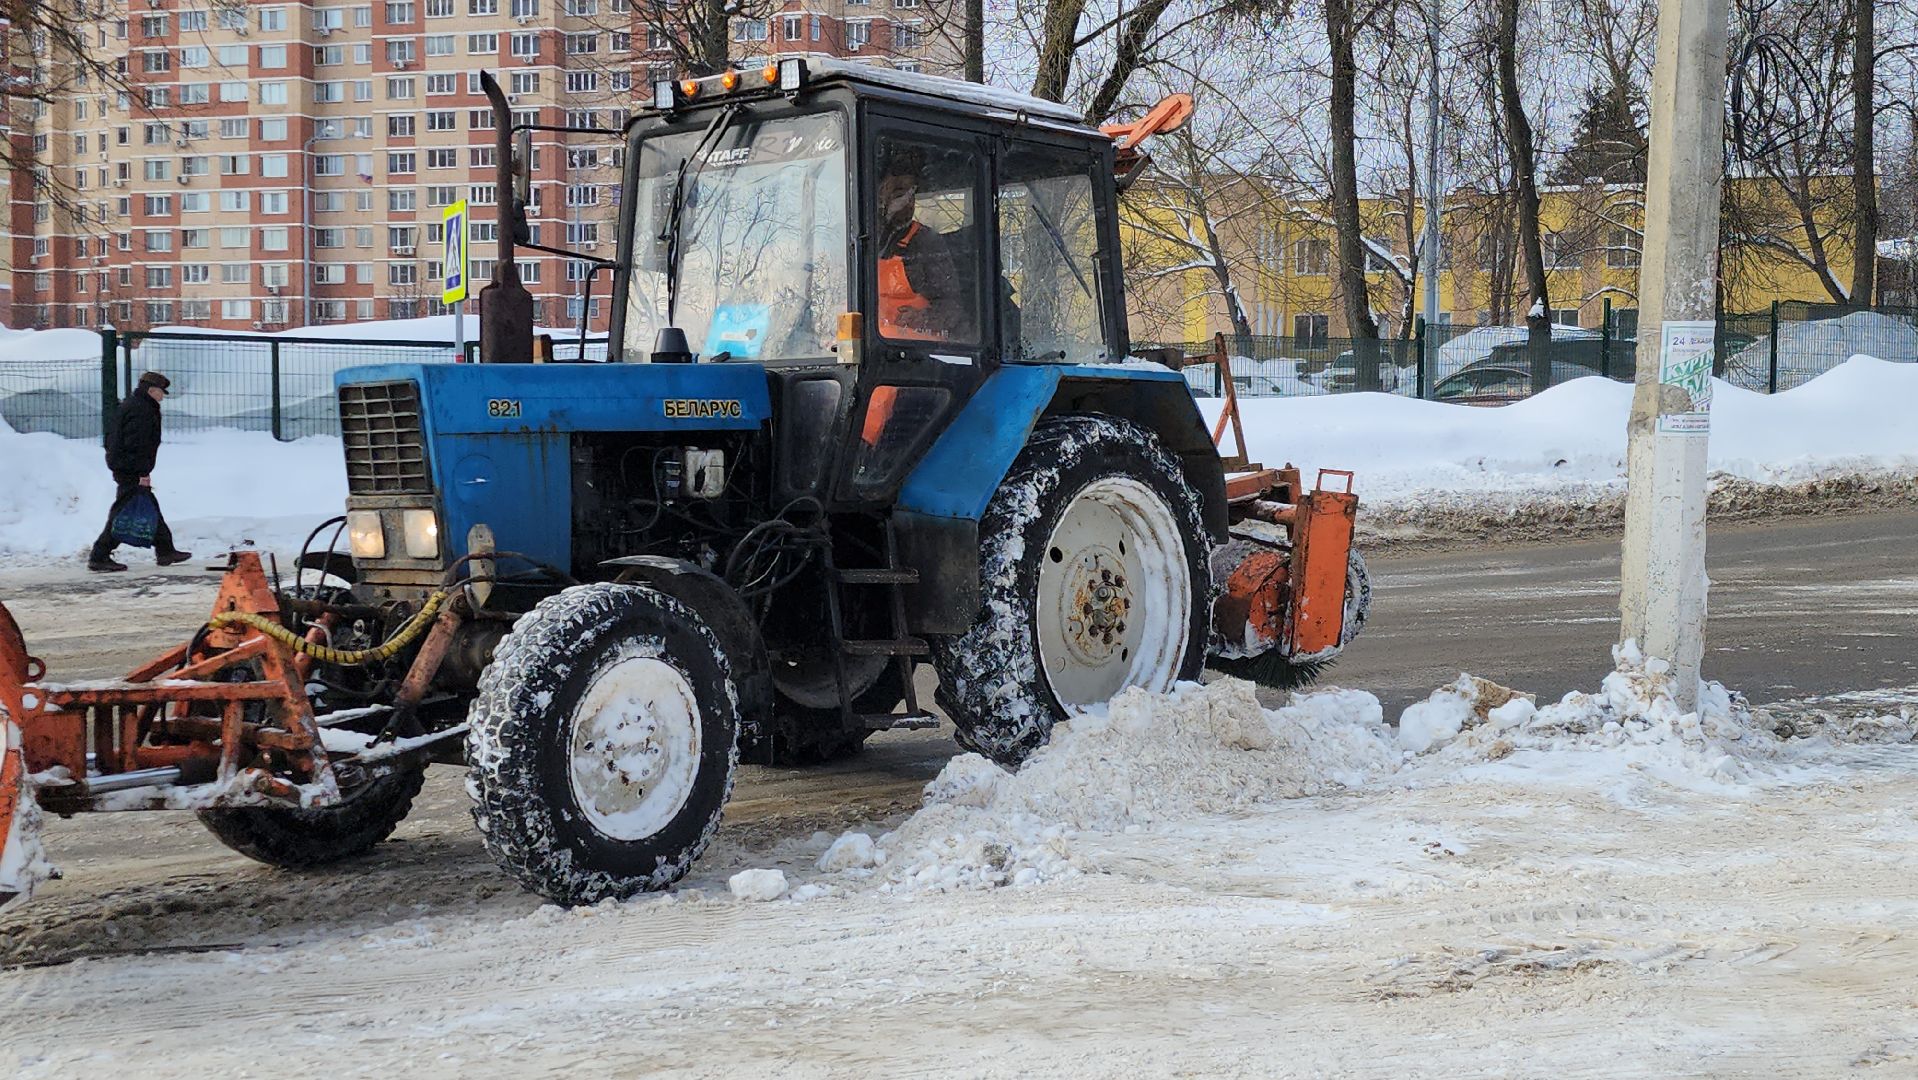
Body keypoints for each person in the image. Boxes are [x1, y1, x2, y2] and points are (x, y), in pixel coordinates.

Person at [88, 371, 192, 572]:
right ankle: (99, 555)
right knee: (123, 512)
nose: (162, 397)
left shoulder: (133, 405)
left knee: (147, 505)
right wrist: (141, 472)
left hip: (125, 466)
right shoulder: (142, 410)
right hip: (130, 468)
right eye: (161, 392)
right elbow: (138, 444)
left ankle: (165, 549)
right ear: (152, 391)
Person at [875, 148, 967, 342]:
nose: (908, 202)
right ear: (881, 195)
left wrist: (924, 318)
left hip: (921, 353)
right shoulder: (864, 241)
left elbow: (952, 307)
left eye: (912, 195)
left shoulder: (926, 242)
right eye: (900, 194)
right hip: (877, 349)